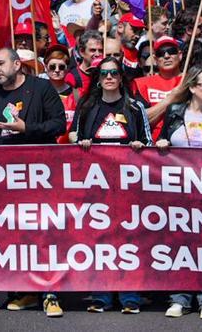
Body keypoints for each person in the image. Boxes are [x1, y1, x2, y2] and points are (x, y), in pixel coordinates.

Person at [71, 55, 151, 313]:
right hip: (96, 188)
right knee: (99, 241)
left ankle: (130, 298)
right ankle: (101, 297)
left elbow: (148, 142)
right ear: (97, 78)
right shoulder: (87, 107)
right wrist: (82, 144)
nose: (108, 77)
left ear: (121, 77)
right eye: (104, 73)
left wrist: (140, 147)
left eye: (114, 73)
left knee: (129, 242)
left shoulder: (136, 107)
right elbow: (76, 138)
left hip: (129, 186)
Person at [0, 48, 67, 317]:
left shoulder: (43, 88)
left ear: (17, 64)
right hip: (6, 174)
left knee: (45, 231)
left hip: (41, 171)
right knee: (16, 234)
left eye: (0, 64)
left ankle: (51, 292)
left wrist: (27, 129)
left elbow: (59, 124)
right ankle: (25, 290)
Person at [156, 67, 202, 320]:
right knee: (179, 245)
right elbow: (162, 143)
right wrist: (161, 143)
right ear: (193, 87)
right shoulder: (175, 112)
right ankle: (180, 298)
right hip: (178, 191)